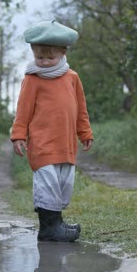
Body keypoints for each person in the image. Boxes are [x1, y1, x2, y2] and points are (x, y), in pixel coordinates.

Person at [10, 20, 93, 243]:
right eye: (39, 57)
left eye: (50, 57)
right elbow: (23, 109)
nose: (44, 62)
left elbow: (80, 109)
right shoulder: (32, 78)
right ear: (33, 53)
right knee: (47, 186)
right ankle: (48, 229)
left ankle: (57, 222)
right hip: (42, 144)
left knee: (63, 185)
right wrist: (18, 134)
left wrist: (84, 132)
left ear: (63, 52)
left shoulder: (72, 78)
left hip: (65, 145)